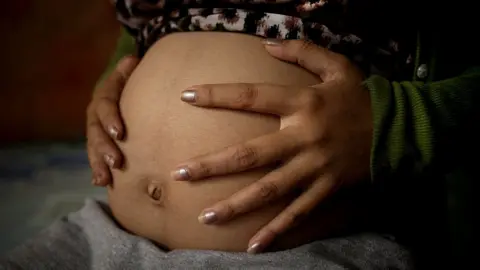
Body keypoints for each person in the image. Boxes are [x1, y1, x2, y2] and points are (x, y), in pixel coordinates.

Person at [2, 0, 478, 269]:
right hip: (103, 237)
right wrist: (116, 81)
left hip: (295, 254)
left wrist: (389, 123)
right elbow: (144, 32)